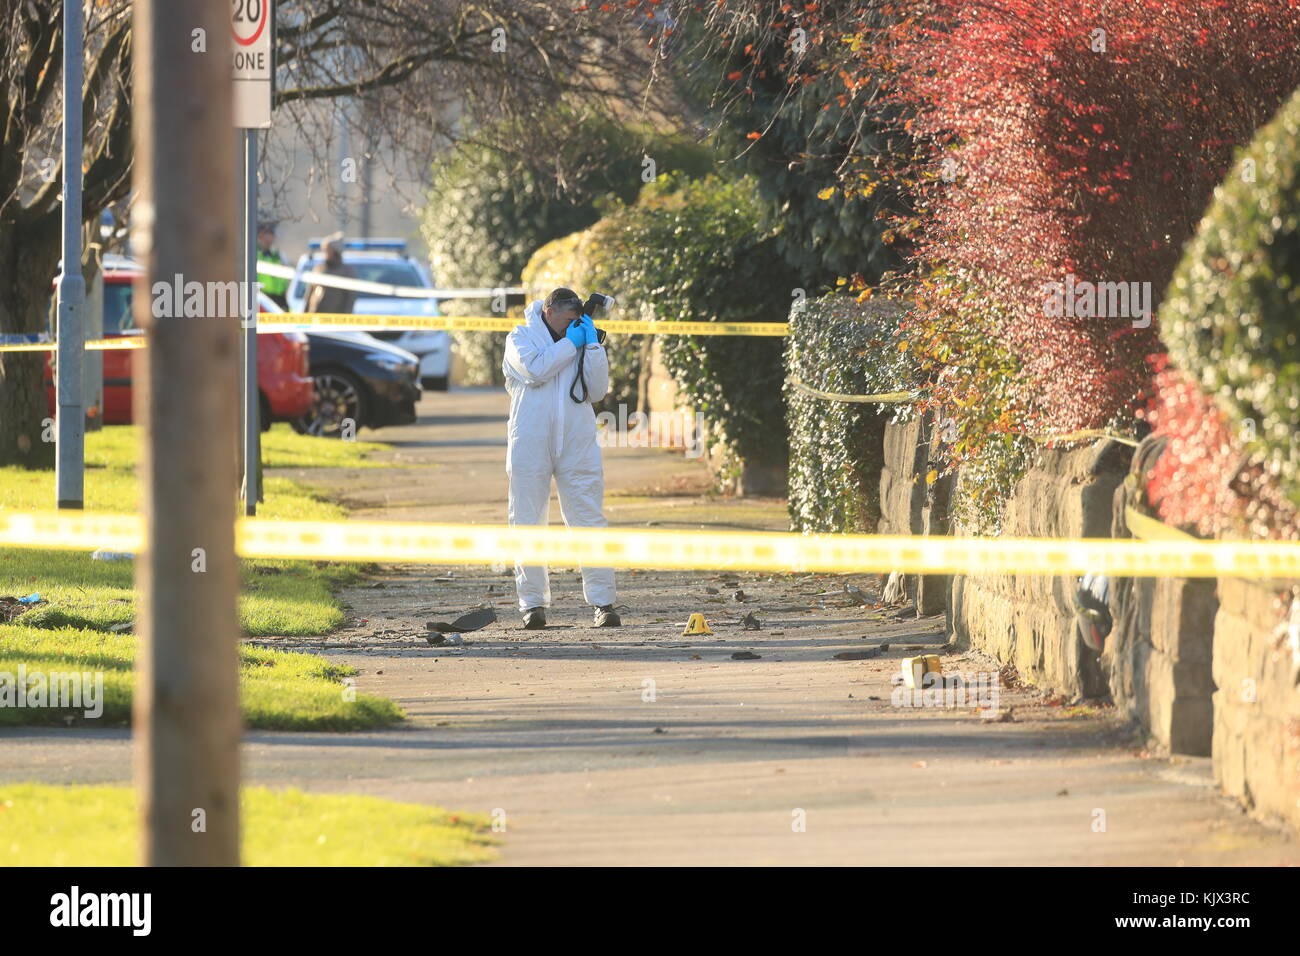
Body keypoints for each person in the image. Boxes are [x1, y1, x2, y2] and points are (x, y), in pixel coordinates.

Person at [503, 288, 620, 629]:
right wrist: (571, 344)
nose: (571, 326)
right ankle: (532, 605)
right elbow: (536, 370)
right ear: (549, 310)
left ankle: (603, 602)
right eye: (568, 320)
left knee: (588, 518)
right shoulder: (520, 337)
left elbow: (597, 391)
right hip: (530, 440)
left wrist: (593, 346)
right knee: (527, 519)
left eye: (577, 322)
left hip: (577, 440)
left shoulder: (582, 338)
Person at [305, 233, 357, 314]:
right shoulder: (319, 268)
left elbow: (350, 298)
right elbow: (309, 292)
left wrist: (346, 317)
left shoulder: (346, 272)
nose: (325, 253)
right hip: (315, 315)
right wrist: (306, 312)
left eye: (327, 250)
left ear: (335, 251)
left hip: (335, 319)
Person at [256, 221, 290, 310]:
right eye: (269, 233)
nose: (272, 237)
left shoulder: (277, 255)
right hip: (262, 298)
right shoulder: (253, 255)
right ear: (261, 235)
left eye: (272, 234)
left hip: (279, 299)